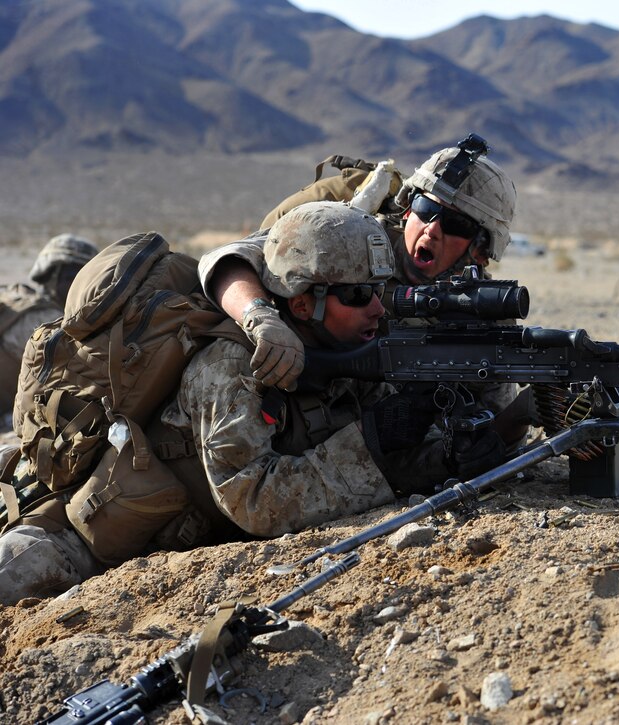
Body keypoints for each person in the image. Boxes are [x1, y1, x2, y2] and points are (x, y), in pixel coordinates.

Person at [0, 203, 487, 604]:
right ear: (303, 303)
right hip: (87, 538)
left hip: (187, 545)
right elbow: (255, 501)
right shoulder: (230, 364)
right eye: (359, 294)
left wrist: (442, 457)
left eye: (379, 290)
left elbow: (380, 457)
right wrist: (375, 442)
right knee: (16, 579)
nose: (378, 308)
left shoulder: (344, 351)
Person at [198, 135, 528, 445]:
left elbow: (497, 432)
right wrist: (261, 317)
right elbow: (228, 258)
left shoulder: (484, 310)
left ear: (481, 249)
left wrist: (522, 415)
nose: (432, 229)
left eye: (456, 224)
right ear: (407, 208)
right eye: (426, 209)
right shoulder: (355, 238)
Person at [0, 234, 98, 428]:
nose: (80, 285)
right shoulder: (48, 320)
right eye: (72, 277)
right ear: (50, 276)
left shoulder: (14, 295)